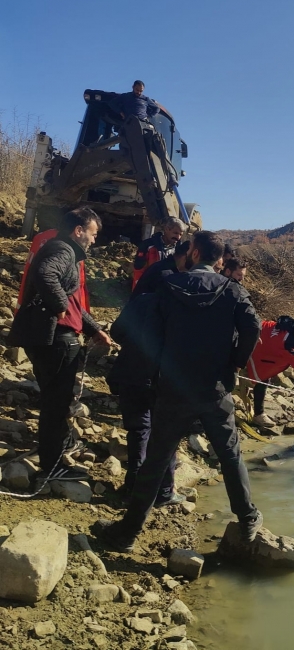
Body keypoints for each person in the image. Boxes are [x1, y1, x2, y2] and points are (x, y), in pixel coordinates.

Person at [95, 231, 263, 552]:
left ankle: (128, 532)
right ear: (221, 260)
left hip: (173, 389)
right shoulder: (233, 291)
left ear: (195, 253)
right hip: (214, 388)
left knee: (156, 459)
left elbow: (150, 334)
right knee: (230, 455)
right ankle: (248, 519)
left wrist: (160, 365)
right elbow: (253, 327)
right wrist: (236, 363)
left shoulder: (168, 288)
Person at [7, 207, 112, 481]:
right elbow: (45, 274)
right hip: (55, 340)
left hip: (53, 337)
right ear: (79, 231)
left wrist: (94, 329)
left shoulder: (66, 252)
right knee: (56, 405)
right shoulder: (63, 250)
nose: (94, 240)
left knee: (58, 401)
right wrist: (59, 304)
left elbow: (75, 302)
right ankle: (52, 466)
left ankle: (58, 450)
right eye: (93, 233)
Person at [107, 291, 182, 507]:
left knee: (139, 431)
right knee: (166, 435)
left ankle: (133, 488)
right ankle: (164, 492)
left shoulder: (143, 298)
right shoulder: (184, 303)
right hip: (163, 378)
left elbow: (117, 330)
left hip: (131, 372)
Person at [243, 319, 294, 428]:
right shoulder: (287, 345)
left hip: (254, 329)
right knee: (263, 380)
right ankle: (258, 415)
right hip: (252, 346)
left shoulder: (289, 325)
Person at [131, 217, 186, 289]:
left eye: (180, 234)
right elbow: (139, 270)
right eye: (175, 233)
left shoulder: (178, 251)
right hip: (147, 290)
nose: (178, 237)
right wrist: (138, 291)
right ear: (166, 229)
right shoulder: (148, 245)